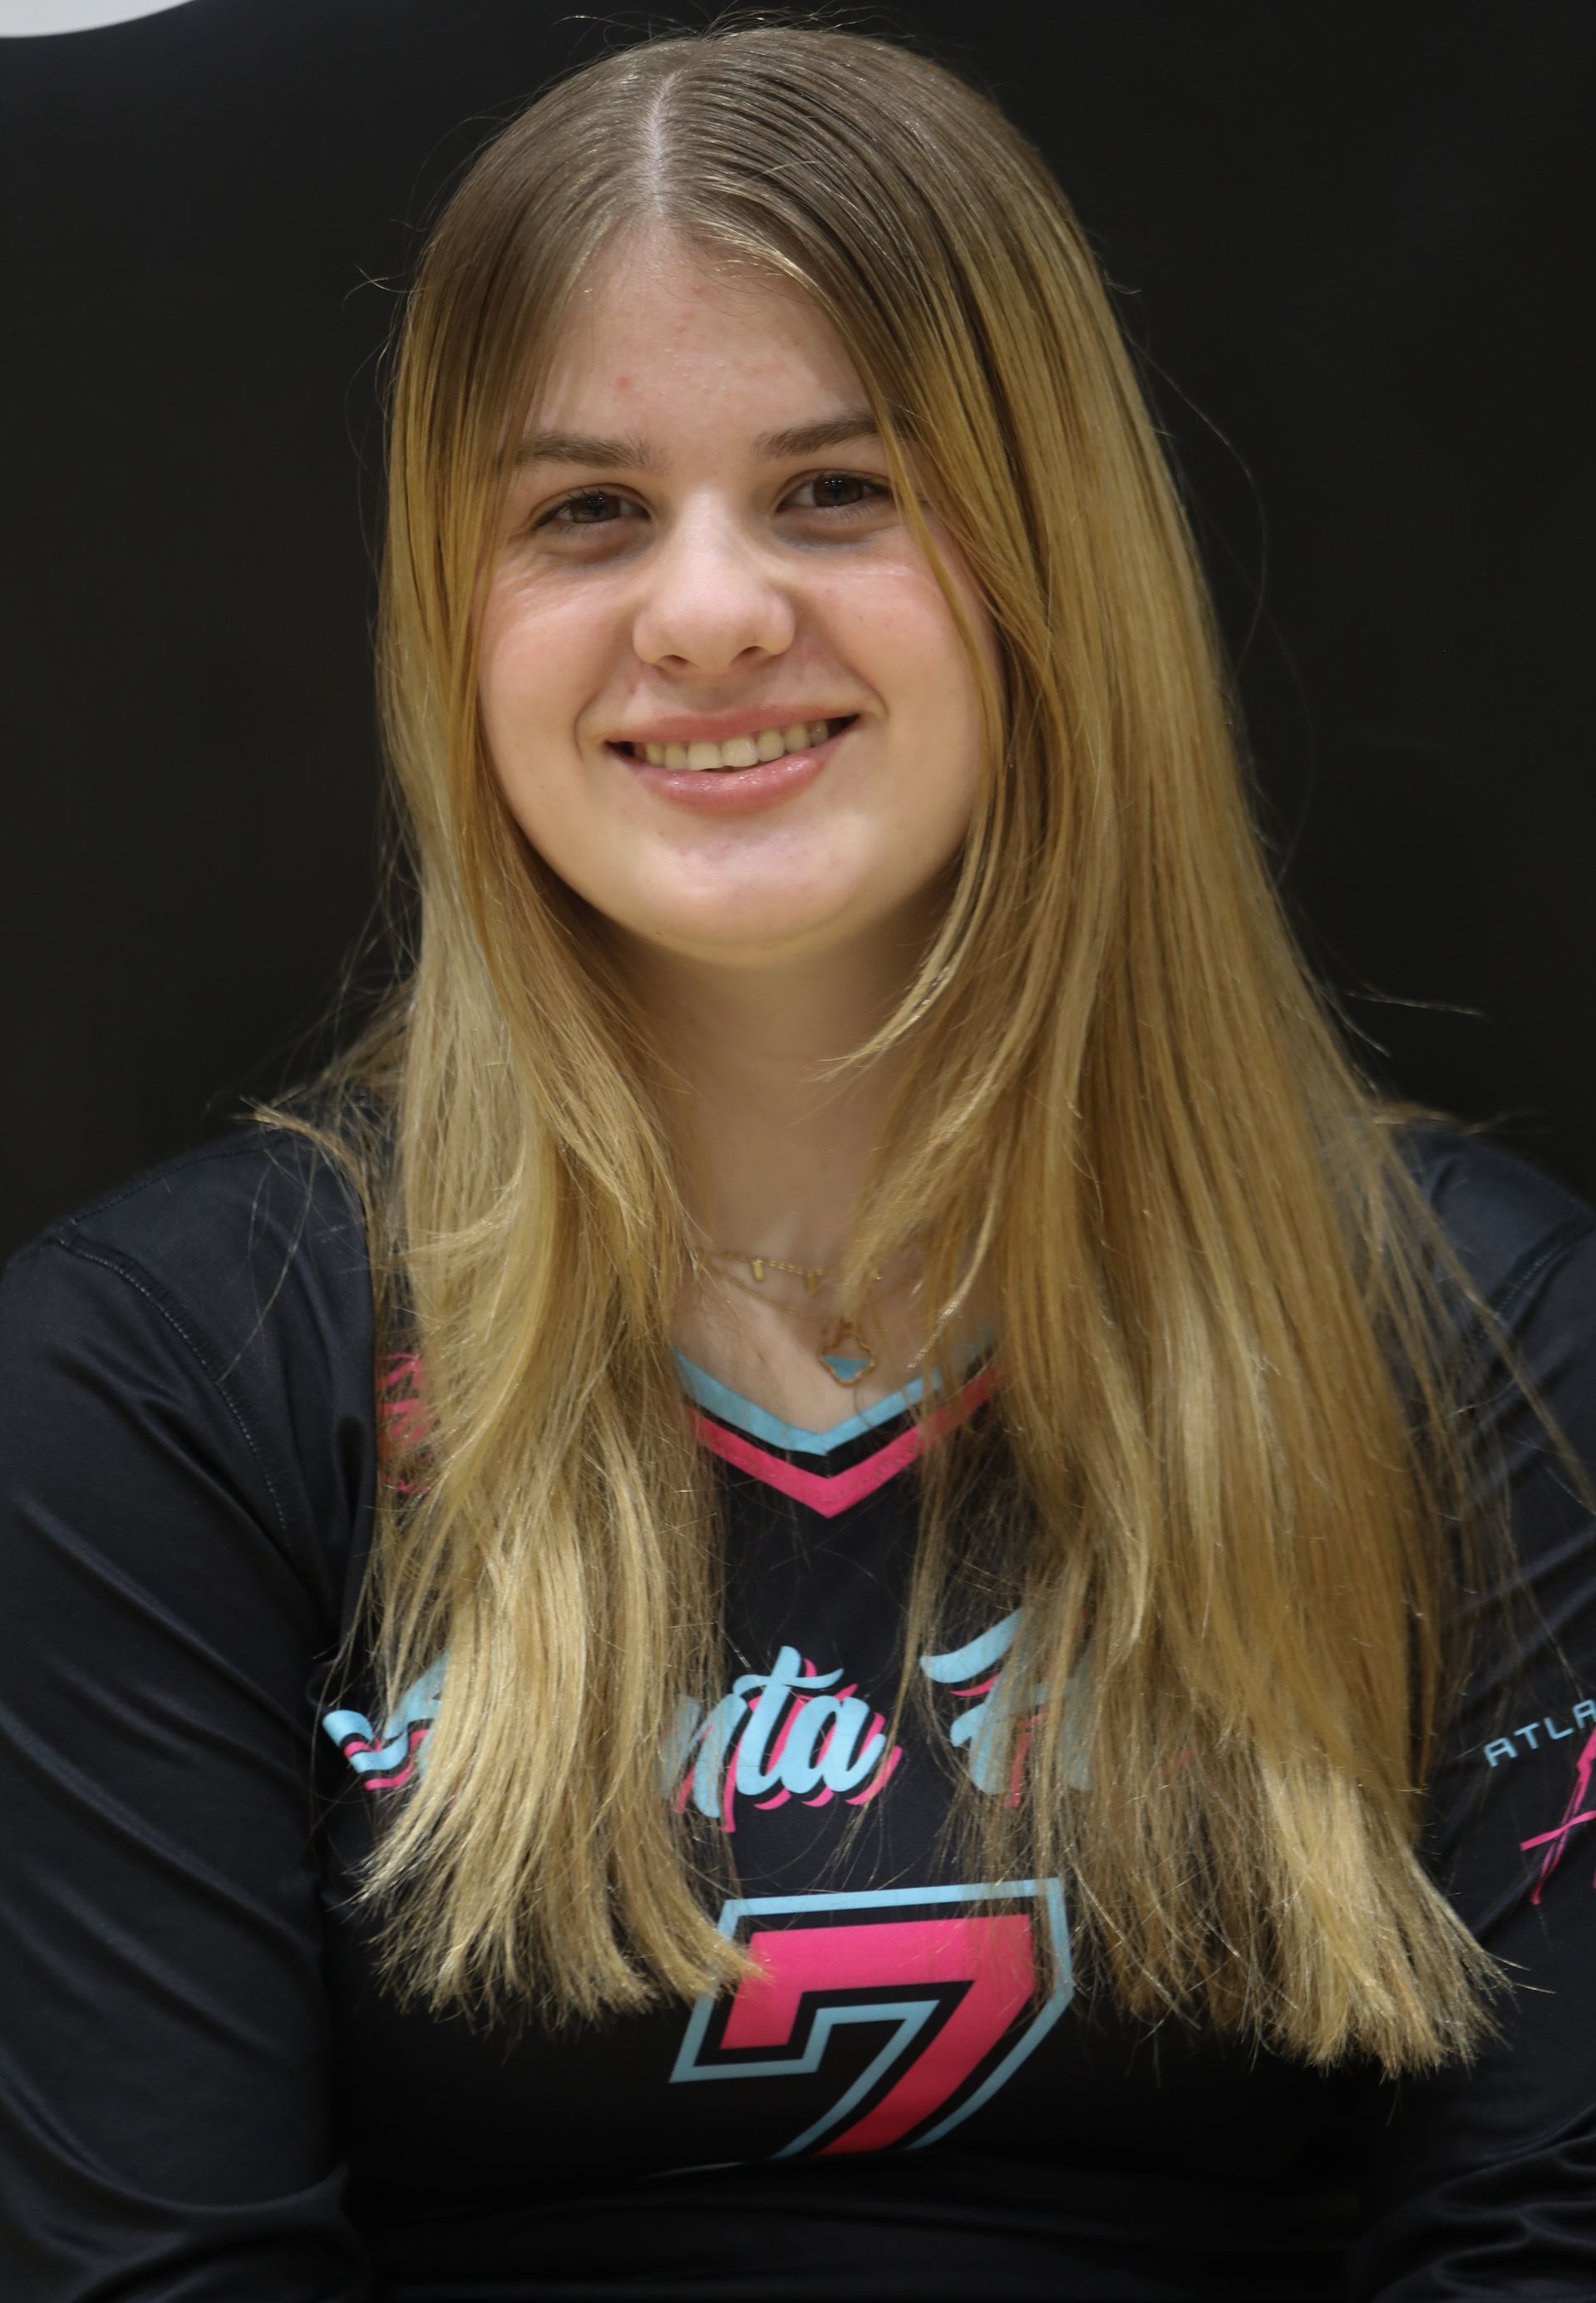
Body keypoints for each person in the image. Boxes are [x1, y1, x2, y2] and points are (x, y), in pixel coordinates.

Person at [2, 21, 1594, 2301]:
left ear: (1055, 560)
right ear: (450, 621)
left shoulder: (1477, 1340)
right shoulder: (157, 1382)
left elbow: (1541, 2240)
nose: (711, 611)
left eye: (838, 489)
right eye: (584, 513)